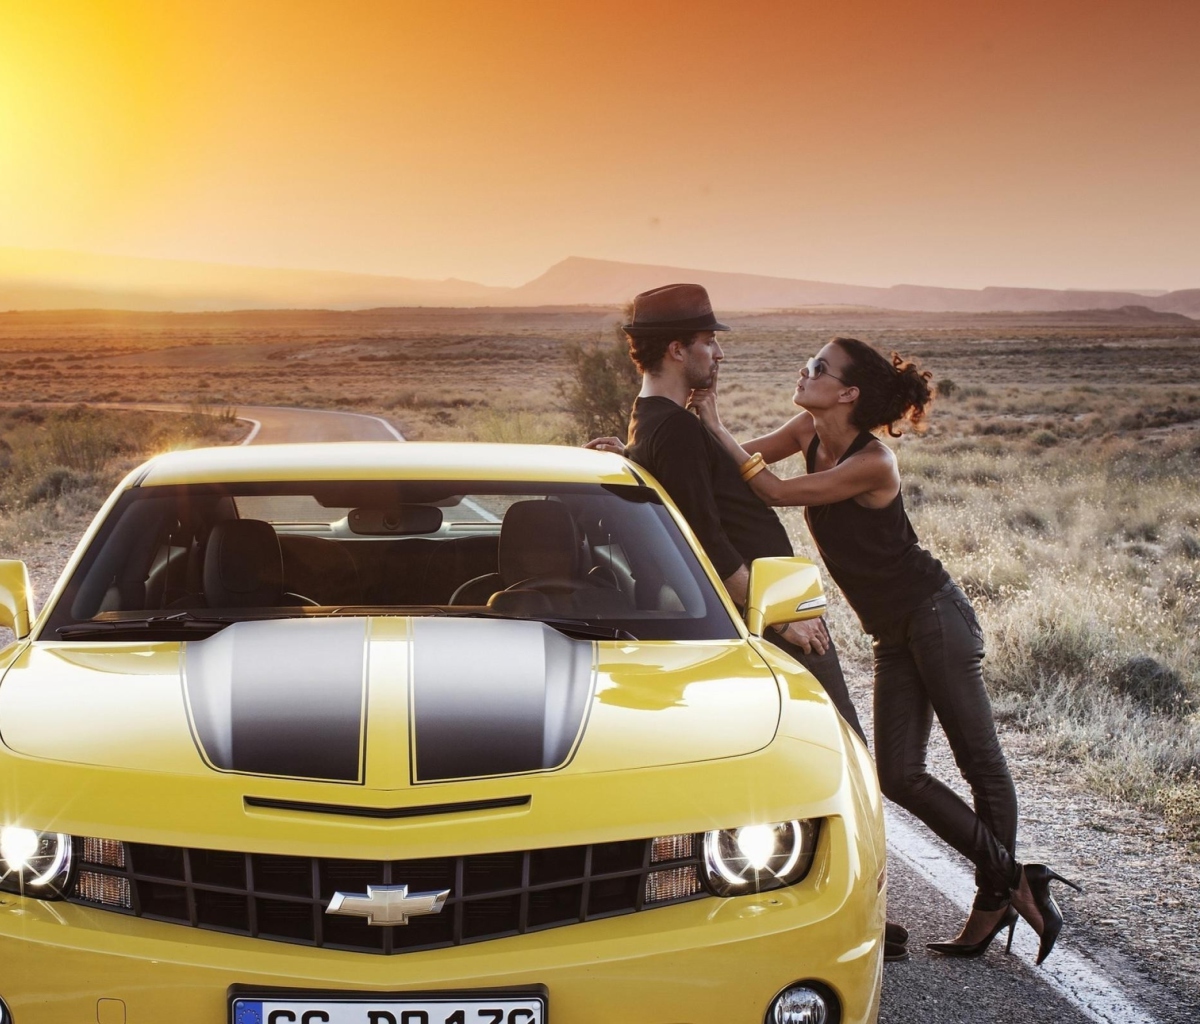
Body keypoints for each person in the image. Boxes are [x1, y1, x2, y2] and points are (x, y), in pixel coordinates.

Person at [689, 335, 1080, 962]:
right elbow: (735, 460)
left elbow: (778, 493)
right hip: (891, 633)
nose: (805, 370)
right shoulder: (809, 430)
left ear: (848, 393)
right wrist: (640, 452)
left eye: (819, 368)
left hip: (934, 617)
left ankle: (993, 897)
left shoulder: (875, 462)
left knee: (979, 760)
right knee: (898, 775)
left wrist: (712, 420)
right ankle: (1016, 880)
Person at [585, 286, 910, 962]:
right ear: (678, 349)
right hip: (769, 610)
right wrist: (779, 615)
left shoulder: (662, 420)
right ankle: (852, 911)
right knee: (839, 757)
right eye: (708, 341)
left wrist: (629, 460)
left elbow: (688, 495)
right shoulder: (668, 425)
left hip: (758, 604)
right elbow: (707, 534)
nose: (718, 351)